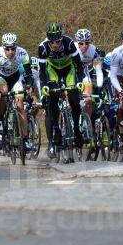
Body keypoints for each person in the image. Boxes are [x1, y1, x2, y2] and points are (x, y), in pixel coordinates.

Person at [38, 22, 84, 158]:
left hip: (68, 69)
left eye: (58, 41)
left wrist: (80, 81)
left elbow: (79, 65)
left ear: (61, 38)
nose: (55, 45)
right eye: (52, 42)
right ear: (48, 40)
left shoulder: (69, 43)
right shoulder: (43, 48)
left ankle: (76, 129)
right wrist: (45, 85)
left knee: (75, 100)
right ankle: (57, 130)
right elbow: (41, 71)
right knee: (52, 98)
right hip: (53, 71)